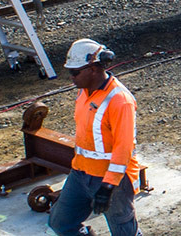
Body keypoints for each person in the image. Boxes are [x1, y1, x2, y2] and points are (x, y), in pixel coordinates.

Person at [49, 39, 142, 236]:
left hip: (113, 179)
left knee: (124, 230)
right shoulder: (84, 93)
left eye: (75, 72)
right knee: (60, 223)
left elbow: (123, 148)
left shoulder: (120, 101)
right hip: (81, 173)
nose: (71, 78)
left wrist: (108, 186)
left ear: (92, 69)